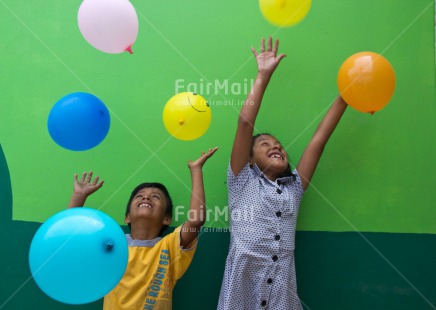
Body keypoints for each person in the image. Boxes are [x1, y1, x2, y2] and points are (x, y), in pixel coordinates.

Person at [217, 37, 348, 310]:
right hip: (242, 289)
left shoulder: (294, 188)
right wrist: (263, 75)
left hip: (280, 291)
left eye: (278, 145)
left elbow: (318, 140)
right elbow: (244, 122)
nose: (275, 145)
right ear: (250, 160)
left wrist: (346, 95)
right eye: (264, 144)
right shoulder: (242, 179)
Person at [68, 147, 218, 310]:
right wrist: (78, 197)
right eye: (139, 196)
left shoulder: (170, 247)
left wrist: (196, 170)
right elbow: (69, 239)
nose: (146, 197)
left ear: (166, 219)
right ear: (127, 218)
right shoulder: (113, 245)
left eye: (155, 197)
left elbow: (196, 221)